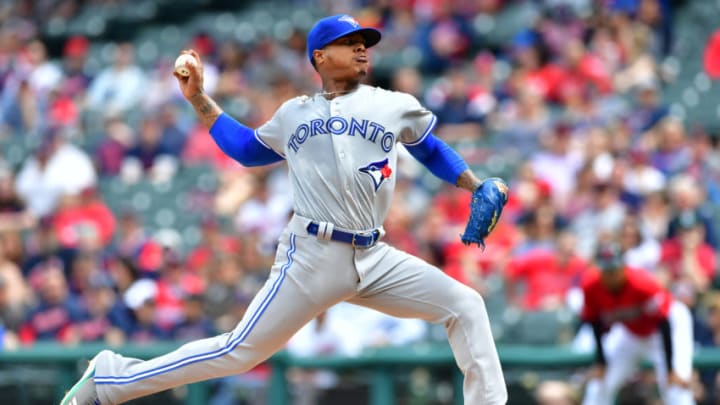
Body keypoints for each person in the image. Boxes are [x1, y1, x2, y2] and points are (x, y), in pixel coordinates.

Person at [60, 14, 508, 405]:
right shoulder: (294, 113)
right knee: (237, 353)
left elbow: (428, 148)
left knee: (466, 305)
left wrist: (473, 183)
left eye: (364, 44)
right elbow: (247, 150)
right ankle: (109, 379)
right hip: (312, 254)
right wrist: (198, 98)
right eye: (348, 43)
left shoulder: (392, 104)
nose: (361, 50)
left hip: (374, 256)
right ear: (319, 57)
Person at [581, 242, 695, 405]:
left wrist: (670, 370)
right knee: (599, 385)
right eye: (606, 270)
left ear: (623, 266)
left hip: (670, 327)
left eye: (614, 269)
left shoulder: (642, 283)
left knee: (675, 389)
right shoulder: (591, 286)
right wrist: (601, 362)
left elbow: (664, 322)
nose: (610, 275)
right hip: (631, 331)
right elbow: (593, 321)